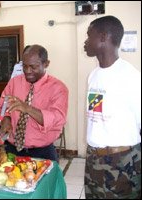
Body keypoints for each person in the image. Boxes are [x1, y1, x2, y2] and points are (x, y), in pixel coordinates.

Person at [84, 16, 141, 199]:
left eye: (88, 36)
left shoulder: (130, 77)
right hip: (94, 159)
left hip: (122, 162)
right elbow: (96, 115)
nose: (85, 42)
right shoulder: (93, 75)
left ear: (102, 37)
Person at [0, 44, 68, 162]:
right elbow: (2, 106)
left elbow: (57, 118)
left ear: (46, 64)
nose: (28, 71)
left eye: (33, 67)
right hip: (12, 150)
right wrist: (6, 119)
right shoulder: (14, 82)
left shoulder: (58, 88)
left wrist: (27, 108)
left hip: (42, 153)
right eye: (25, 66)